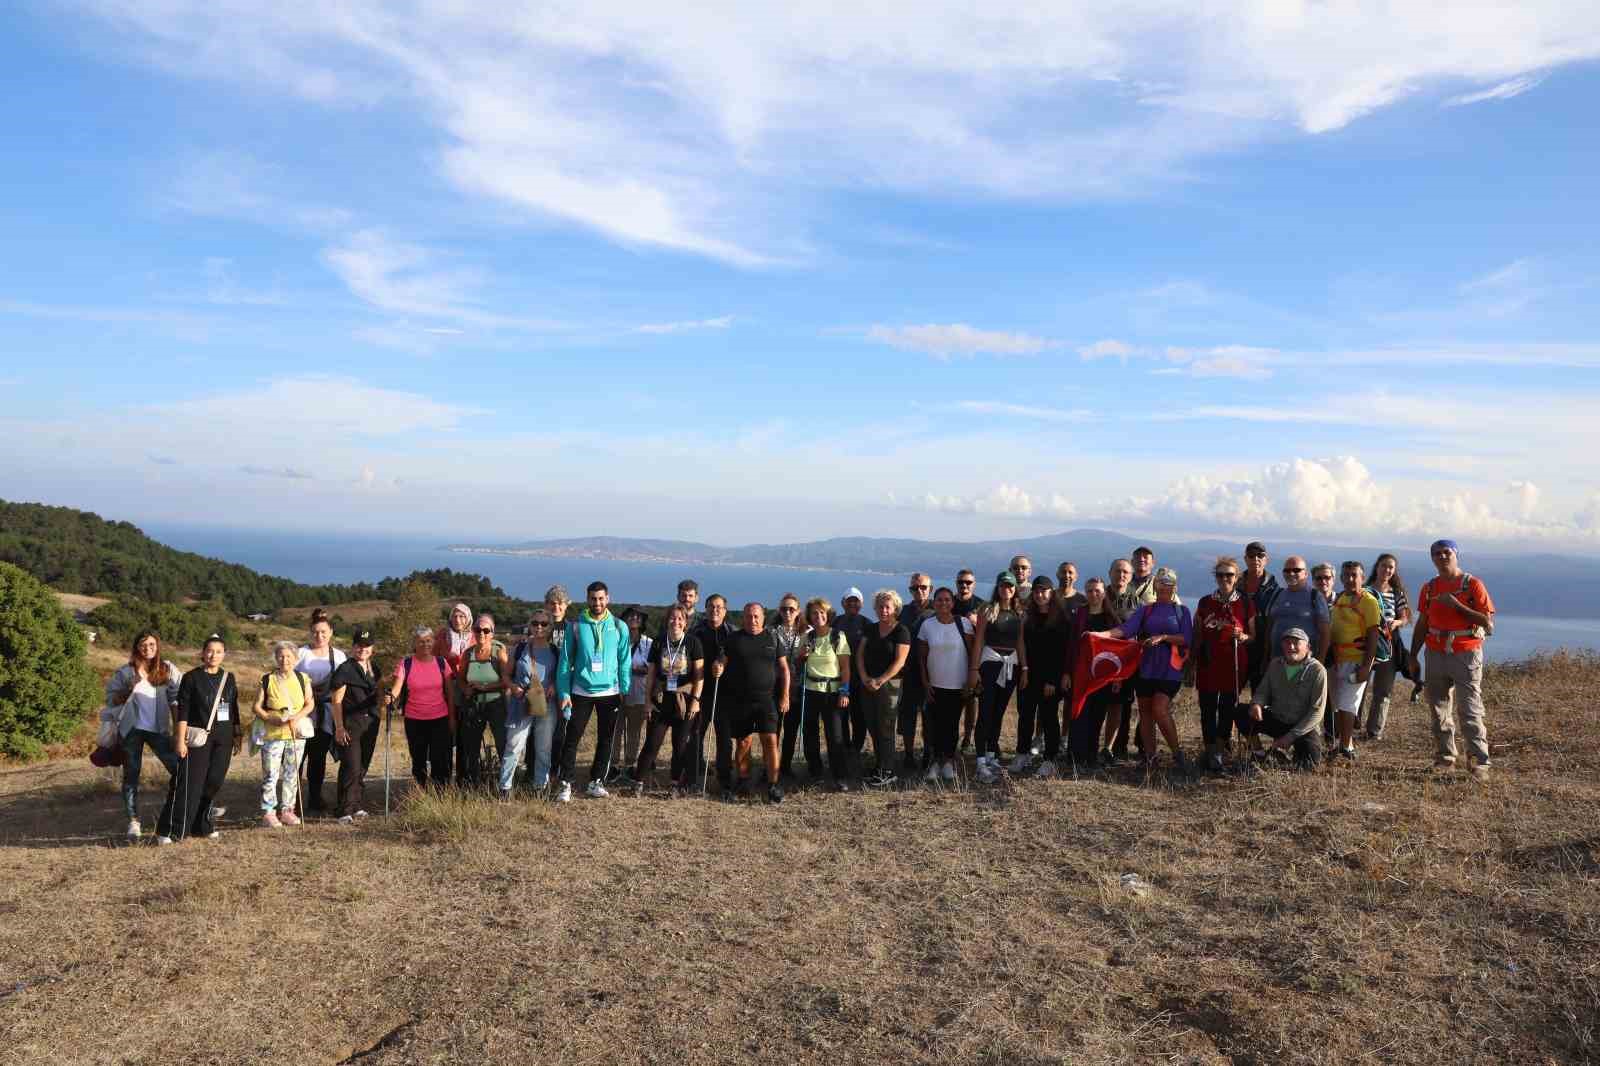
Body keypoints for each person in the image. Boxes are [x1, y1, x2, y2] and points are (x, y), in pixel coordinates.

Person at [1409, 539, 1496, 779]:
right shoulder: (1429, 588)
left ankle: (1479, 761)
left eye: (1447, 552)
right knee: (1438, 707)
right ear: (1432, 559)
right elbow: (1423, 623)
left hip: (1465, 653)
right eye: (1437, 554)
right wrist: (1413, 655)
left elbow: (1488, 624)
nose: (1442, 557)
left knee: (1469, 708)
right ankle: (1445, 757)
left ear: (1456, 555)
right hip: (1435, 652)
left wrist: (1457, 605)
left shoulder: (1472, 585)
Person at [1107, 567, 1193, 775]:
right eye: (1161, 584)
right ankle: (1150, 758)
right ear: (1155, 585)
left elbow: (1187, 639)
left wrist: (1163, 637)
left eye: (1169, 584)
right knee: (1145, 712)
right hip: (1146, 668)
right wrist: (1101, 635)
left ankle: (1177, 754)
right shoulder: (1146, 610)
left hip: (1170, 669)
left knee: (1159, 709)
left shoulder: (1182, 611)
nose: (1164, 587)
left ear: (1175, 587)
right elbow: (1126, 630)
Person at [154, 634, 236, 843]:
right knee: (189, 784)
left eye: (218, 651)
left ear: (224, 654)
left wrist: (237, 734)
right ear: (202, 653)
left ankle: (202, 825)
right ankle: (170, 830)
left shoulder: (229, 678)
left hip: (223, 739)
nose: (213, 655)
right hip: (198, 738)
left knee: (213, 781)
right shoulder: (191, 678)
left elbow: (231, 708)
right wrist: (180, 740)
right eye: (209, 651)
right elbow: (183, 712)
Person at [553, 581, 631, 802]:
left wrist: (624, 688)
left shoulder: (618, 626)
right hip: (581, 691)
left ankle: (596, 782)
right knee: (572, 738)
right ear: (587, 599)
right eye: (593, 598)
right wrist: (564, 693)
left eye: (601, 598)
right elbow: (565, 662)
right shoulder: (576, 626)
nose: (597, 602)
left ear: (608, 598)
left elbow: (624, 660)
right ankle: (565, 783)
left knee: (606, 739)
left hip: (610, 692)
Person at [106, 630, 182, 840]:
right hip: (131, 731)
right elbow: (111, 699)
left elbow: (179, 698)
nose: (147, 648)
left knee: (179, 769)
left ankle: (189, 808)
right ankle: (133, 821)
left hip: (159, 729)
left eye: (151, 644)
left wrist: (178, 731)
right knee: (131, 775)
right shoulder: (125, 672)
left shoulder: (167, 669)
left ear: (157, 646)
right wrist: (127, 690)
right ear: (136, 647)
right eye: (143, 644)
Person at [717, 603, 791, 803]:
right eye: (749, 616)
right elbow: (723, 659)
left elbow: (784, 669)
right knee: (743, 742)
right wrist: (719, 666)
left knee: (771, 741)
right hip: (740, 701)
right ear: (743, 617)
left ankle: (773, 785)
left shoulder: (773, 638)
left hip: (767, 700)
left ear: (763, 617)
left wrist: (785, 696)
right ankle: (742, 781)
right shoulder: (734, 639)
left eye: (756, 616)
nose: (753, 620)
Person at [629, 603, 705, 795]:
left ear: (685, 622)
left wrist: (695, 700)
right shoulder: (659, 642)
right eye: (672, 618)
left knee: (680, 745)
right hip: (661, 699)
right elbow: (652, 674)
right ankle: (638, 782)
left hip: (685, 700)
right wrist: (647, 701)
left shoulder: (693, 642)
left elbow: (699, 675)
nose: (676, 622)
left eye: (680, 618)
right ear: (667, 620)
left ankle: (674, 784)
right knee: (652, 743)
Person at [1193, 557, 1256, 773]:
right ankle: (1209, 750)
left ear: (1236, 577)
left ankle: (1220, 751)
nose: (1224, 579)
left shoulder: (1246, 603)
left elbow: (1253, 637)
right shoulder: (1204, 602)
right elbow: (1198, 634)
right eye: (1220, 575)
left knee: (1227, 708)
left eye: (1229, 575)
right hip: (1208, 663)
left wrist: (1243, 636)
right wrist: (1192, 663)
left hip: (1234, 664)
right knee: (1207, 709)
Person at [384, 626, 457, 790]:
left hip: (440, 718)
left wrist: (452, 718)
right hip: (415, 720)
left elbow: (450, 694)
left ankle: (441, 794)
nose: (425, 645)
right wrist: (391, 697)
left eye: (428, 641)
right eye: (421, 642)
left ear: (433, 642)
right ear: (414, 644)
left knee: (440, 759)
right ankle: (421, 792)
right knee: (418, 760)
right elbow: (396, 687)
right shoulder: (406, 663)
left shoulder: (441, 663)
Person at [972, 570, 1028, 783]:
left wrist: (1024, 669)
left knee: (998, 714)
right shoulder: (987, 610)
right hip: (989, 666)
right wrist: (974, 670)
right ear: (997, 587)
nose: (1007, 589)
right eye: (1003, 585)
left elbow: (1020, 642)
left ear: (1015, 589)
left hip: (1011, 666)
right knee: (985, 713)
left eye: (1010, 586)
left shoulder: (1019, 612)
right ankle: (979, 762)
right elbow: (978, 641)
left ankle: (991, 756)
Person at [1245, 628, 1327, 769]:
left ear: (1307, 647)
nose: (1291, 647)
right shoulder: (1275, 664)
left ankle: (1288, 754)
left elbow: (1317, 712)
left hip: (1302, 727)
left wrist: (1290, 737)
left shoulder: (1318, 670)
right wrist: (1257, 704)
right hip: (1278, 719)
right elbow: (1263, 691)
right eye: (1287, 643)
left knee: (1310, 765)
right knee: (1241, 712)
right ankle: (1259, 753)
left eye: (1296, 643)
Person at [918, 587, 976, 783]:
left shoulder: (964, 623)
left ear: (953, 602)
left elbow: (971, 652)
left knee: (951, 724)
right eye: (940, 600)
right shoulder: (927, 625)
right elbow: (922, 657)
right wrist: (925, 682)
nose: (943, 603)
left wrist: (971, 679)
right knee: (934, 724)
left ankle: (949, 761)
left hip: (958, 684)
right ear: (934, 602)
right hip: (935, 684)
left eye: (947, 600)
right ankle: (935, 761)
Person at [1061, 577, 1119, 770]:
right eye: (1090, 591)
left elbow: (1120, 648)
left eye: (1097, 591)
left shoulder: (1111, 618)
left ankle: (1091, 756)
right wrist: (1067, 673)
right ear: (1085, 593)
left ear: (1104, 593)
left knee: (1097, 716)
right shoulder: (1080, 614)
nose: (1094, 594)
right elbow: (1070, 645)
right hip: (1080, 673)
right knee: (1078, 713)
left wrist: (1117, 677)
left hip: (1102, 677)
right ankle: (1074, 756)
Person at [797, 596, 855, 790]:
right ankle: (815, 772)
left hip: (833, 692)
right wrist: (802, 656)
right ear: (809, 616)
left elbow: (846, 668)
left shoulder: (838, 636)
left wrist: (845, 692)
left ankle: (840, 775)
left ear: (828, 614)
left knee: (836, 736)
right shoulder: (807, 637)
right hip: (811, 692)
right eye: (814, 613)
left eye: (822, 612)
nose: (818, 616)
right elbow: (799, 664)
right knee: (810, 734)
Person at [1328, 562, 1383, 762]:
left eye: (1354, 575)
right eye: (1347, 575)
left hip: (1356, 660)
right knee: (1339, 705)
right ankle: (1344, 744)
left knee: (1348, 704)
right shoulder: (1341, 598)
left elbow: (1373, 635)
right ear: (1341, 578)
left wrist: (1366, 667)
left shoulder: (1368, 601)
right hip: (1337, 660)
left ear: (1362, 577)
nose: (1350, 579)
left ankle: (1345, 746)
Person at [256, 640, 314, 827]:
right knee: (271, 773)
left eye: (289, 656)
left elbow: (310, 703)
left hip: (295, 733)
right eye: (281, 655)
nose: (284, 659)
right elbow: (256, 706)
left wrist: (297, 717)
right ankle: (269, 812)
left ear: (296, 659)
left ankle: (288, 810)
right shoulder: (267, 679)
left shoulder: (302, 678)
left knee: (291, 773)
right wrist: (268, 717)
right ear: (276, 658)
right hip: (272, 733)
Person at [503, 607, 559, 796]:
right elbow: (506, 675)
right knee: (514, 745)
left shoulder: (554, 651)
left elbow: (561, 675)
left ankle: (539, 787)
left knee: (544, 748)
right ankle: (505, 787)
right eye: (535, 623)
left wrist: (554, 685)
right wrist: (513, 687)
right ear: (530, 625)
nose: (539, 627)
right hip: (521, 702)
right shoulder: (519, 649)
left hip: (546, 704)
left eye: (544, 623)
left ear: (550, 627)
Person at [857, 588, 911, 787]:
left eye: (887, 607)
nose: (883, 610)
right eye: (880, 607)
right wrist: (864, 678)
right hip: (868, 684)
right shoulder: (871, 629)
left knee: (886, 727)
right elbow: (860, 655)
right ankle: (879, 766)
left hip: (890, 685)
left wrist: (879, 681)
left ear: (895, 608)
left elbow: (899, 662)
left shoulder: (901, 631)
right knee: (873, 725)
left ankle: (888, 770)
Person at [295, 610, 346, 816]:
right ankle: (293, 800)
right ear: (310, 632)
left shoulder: (339, 656)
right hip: (301, 712)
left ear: (331, 632)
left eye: (324, 632)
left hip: (325, 713)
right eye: (316, 632)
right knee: (296, 757)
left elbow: (343, 685)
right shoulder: (300, 653)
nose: (320, 636)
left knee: (318, 758)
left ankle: (315, 798)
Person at [329, 629, 381, 822]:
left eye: (366, 645)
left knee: (362, 766)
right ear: (353, 647)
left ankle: (356, 804)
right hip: (351, 724)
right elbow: (336, 701)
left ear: (372, 648)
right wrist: (339, 727)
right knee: (351, 765)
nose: (363, 649)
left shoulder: (374, 668)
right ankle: (344, 809)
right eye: (359, 645)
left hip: (371, 723)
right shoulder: (345, 669)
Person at [1361, 552, 1412, 741]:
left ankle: (1374, 731)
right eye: (1384, 566)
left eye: (1391, 567)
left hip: (1388, 645)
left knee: (1383, 689)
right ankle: (1352, 723)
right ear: (1377, 567)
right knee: (1359, 684)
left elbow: (1405, 615)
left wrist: (1397, 623)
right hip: (1364, 644)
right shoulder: (1364, 590)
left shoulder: (1396, 592)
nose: (1387, 570)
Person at [1017, 576, 1064, 777]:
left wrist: (1053, 680)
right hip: (1029, 675)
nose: (1039, 595)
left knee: (1049, 718)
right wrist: (1024, 671)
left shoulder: (1061, 619)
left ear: (1051, 593)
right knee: (1025, 716)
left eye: (1044, 591)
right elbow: (1023, 645)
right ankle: (1022, 753)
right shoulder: (1028, 617)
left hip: (1050, 679)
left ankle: (1050, 759)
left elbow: (1062, 652)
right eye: (1036, 591)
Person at [690, 595, 736, 794]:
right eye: (710, 607)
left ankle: (724, 780)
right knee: (695, 734)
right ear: (705, 608)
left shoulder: (733, 632)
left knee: (725, 739)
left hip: (725, 694)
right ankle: (692, 776)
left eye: (719, 607)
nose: (714, 610)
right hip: (701, 691)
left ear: (725, 610)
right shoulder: (696, 631)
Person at [457, 614, 510, 787]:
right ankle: (474, 783)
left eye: (486, 630)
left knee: (502, 743)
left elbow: (506, 680)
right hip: (474, 704)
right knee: (471, 746)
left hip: (496, 703)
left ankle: (505, 784)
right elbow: (460, 678)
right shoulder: (468, 654)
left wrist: (485, 687)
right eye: (478, 629)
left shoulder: (498, 651)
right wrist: (465, 689)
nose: (481, 633)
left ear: (492, 633)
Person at [896, 573, 934, 773]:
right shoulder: (903, 612)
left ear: (931, 589)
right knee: (907, 715)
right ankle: (909, 754)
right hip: (909, 673)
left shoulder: (939, 609)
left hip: (933, 673)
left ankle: (928, 753)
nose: (919, 591)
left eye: (923, 587)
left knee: (930, 717)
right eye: (914, 588)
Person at [1104, 558, 1141, 762]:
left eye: (1126, 572)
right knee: (1098, 705)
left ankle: (1113, 749)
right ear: (1110, 572)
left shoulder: (1137, 602)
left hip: (1126, 662)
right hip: (1101, 661)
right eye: (1118, 571)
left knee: (1120, 707)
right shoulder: (1099, 596)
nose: (1122, 575)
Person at [770, 593, 809, 781]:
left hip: (797, 687)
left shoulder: (807, 633)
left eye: (791, 609)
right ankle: (771, 766)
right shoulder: (770, 631)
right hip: (773, 686)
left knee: (791, 730)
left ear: (798, 611)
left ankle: (785, 766)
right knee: (773, 730)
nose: (787, 612)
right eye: (784, 608)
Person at [612, 607, 653, 781]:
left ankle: (629, 765)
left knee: (634, 731)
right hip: (615, 692)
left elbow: (652, 668)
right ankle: (612, 765)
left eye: (638, 616)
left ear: (643, 621)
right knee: (615, 730)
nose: (634, 619)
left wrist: (637, 669)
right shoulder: (615, 640)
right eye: (630, 616)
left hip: (638, 693)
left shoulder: (648, 643)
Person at [833, 587, 872, 751]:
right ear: (843, 603)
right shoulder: (835, 622)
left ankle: (856, 748)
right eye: (849, 600)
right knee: (840, 716)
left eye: (856, 601)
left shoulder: (867, 624)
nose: (852, 604)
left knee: (858, 717)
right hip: (838, 677)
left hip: (859, 679)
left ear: (861, 603)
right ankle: (844, 747)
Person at [1240, 542, 1279, 691]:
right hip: (1238, 650)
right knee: (1230, 699)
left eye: (1260, 556)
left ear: (1266, 559)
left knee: (1261, 700)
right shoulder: (1234, 584)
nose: (1255, 559)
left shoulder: (1275, 590)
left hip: (1264, 652)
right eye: (1251, 556)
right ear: (1245, 559)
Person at [952, 569, 983, 751]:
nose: (964, 585)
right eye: (961, 582)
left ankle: (968, 738)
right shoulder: (949, 602)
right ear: (956, 584)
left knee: (971, 701)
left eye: (968, 582)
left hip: (972, 660)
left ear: (974, 584)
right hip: (951, 659)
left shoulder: (981, 605)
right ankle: (952, 737)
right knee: (953, 702)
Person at [1311, 563, 1339, 741]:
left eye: (1327, 577)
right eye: (1318, 578)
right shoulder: (1309, 600)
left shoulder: (1342, 601)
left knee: (1333, 699)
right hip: (1313, 653)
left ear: (1333, 580)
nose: (1323, 581)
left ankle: (1332, 737)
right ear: (1313, 581)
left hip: (1338, 655)